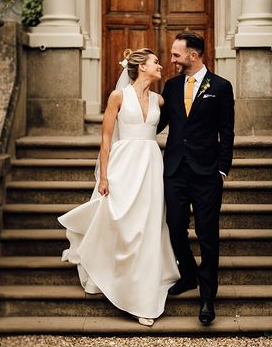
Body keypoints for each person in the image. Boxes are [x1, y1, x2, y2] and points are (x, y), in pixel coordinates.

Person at [58, 48, 179, 327]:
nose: (161, 66)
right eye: (156, 62)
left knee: (147, 226)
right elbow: (106, 138)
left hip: (150, 164)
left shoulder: (160, 99)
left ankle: (142, 295)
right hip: (123, 164)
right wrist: (103, 176)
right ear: (140, 67)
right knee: (122, 221)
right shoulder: (118, 97)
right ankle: (111, 275)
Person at [157, 31, 234, 326]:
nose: (172, 60)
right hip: (175, 170)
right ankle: (187, 274)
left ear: (194, 55)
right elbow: (158, 122)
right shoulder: (172, 86)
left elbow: (227, 130)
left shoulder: (221, 87)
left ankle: (207, 297)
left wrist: (222, 168)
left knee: (207, 234)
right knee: (175, 227)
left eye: (177, 55)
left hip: (206, 173)